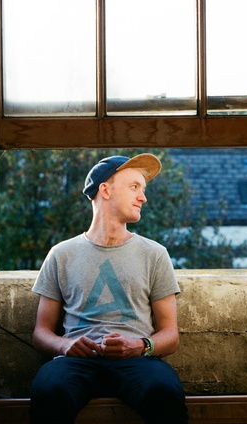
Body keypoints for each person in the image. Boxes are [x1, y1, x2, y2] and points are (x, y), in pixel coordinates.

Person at [29, 153, 188, 424]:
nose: (143, 198)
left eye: (143, 189)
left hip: (138, 361)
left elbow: (170, 336)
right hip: (76, 363)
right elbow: (41, 333)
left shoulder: (155, 254)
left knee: (164, 392)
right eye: (134, 187)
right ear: (105, 189)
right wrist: (66, 345)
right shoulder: (61, 254)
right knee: (48, 390)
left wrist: (139, 345)